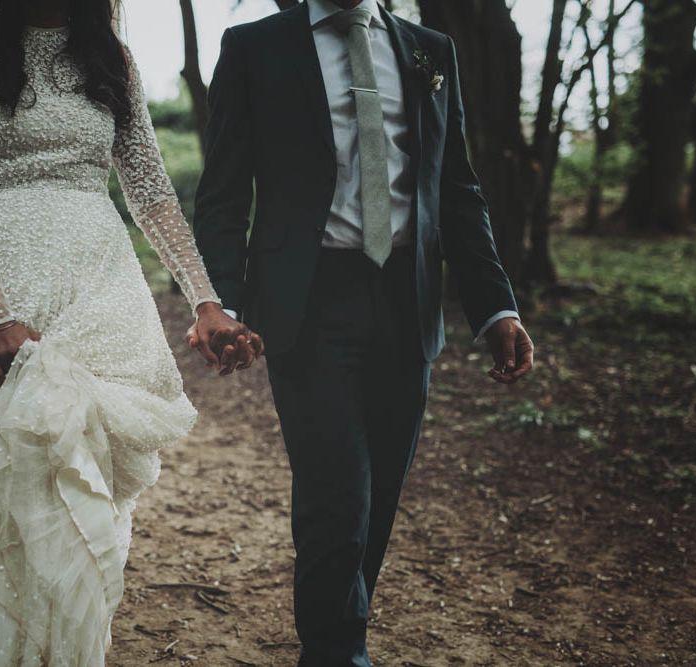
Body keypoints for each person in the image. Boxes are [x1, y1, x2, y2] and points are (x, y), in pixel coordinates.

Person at [192, 0, 535, 665]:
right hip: (307, 299)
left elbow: (455, 187)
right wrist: (220, 302)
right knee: (335, 492)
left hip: (407, 300)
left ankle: (336, 632)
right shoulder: (254, 47)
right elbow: (225, 190)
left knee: (375, 494)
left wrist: (495, 308)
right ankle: (336, 650)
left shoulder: (430, 49)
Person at [0, 0, 262, 664]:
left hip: (100, 294)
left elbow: (150, 189)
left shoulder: (112, 60)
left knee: (87, 488)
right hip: (2, 287)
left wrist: (204, 301)